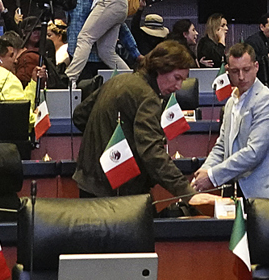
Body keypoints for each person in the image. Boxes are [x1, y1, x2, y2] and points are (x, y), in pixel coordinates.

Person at [71, 40, 193, 198]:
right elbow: (151, 151)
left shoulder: (116, 81)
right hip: (119, 191)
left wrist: (104, 139)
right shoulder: (148, 97)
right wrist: (186, 191)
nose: (179, 86)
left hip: (88, 181)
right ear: (160, 68)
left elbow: (80, 116)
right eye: (177, 78)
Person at [192, 44, 269, 199]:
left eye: (246, 70)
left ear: (256, 67)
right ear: (228, 71)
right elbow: (221, 146)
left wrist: (212, 175)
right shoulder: (231, 102)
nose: (241, 77)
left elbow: (254, 152)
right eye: (235, 71)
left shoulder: (267, 100)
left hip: (261, 195)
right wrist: (204, 171)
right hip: (233, 191)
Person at [64, 0, 140, 79]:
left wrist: (136, 54)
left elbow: (122, 29)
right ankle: (69, 79)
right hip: (79, 61)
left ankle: (132, 81)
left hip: (102, 60)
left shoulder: (109, 0)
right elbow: (58, 0)